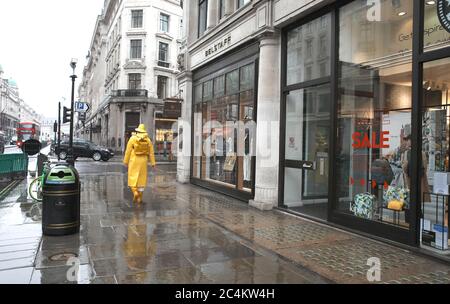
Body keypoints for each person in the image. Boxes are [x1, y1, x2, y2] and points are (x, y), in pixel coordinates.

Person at [123, 124, 156, 204]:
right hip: (143, 161)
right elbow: (151, 153)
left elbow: (128, 151)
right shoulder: (148, 140)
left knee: (132, 177)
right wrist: (153, 163)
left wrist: (125, 161)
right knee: (142, 178)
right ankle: (139, 199)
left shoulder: (133, 138)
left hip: (134, 160)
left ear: (137, 130)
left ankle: (135, 193)